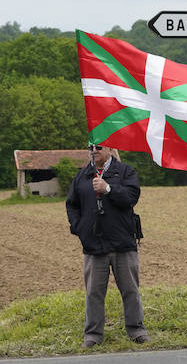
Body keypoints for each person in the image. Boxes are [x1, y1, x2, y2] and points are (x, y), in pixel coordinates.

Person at [65, 144, 149, 348]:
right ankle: (93, 335)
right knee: (94, 293)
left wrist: (108, 189)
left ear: (110, 149)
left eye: (99, 147)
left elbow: (131, 198)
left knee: (130, 290)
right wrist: (80, 228)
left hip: (122, 243)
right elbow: (72, 205)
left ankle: (136, 331)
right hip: (94, 245)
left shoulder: (125, 172)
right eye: (91, 147)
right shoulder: (82, 176)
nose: (94, 151)